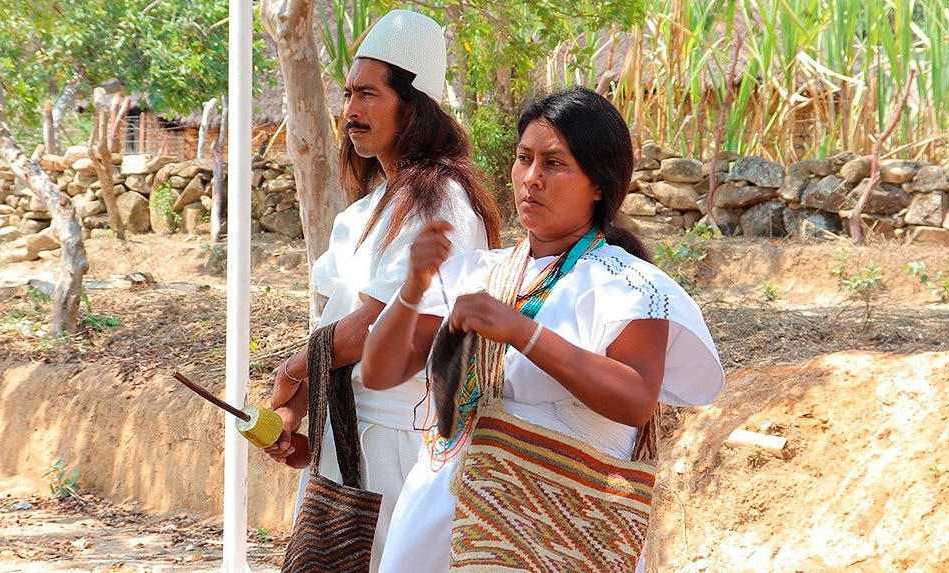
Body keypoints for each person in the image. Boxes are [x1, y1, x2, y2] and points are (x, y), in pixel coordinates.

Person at [360, 86, 724, 572]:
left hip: (558, 537)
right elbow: (380, 372)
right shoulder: (472, 273)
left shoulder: (630, 285)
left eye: (554, 163)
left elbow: (636, 399)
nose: (531, 179)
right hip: (438, 526)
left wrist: (521, 332)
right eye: (523, 158)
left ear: (599, 183)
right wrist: (412, 288)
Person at [264, 9, 500, 572]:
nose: (350, 112)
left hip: (402, 442)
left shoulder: (440, 201)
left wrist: (294, 371)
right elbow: (340, 327)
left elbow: (374, 325)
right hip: (349, 436)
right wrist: (304, 413)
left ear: (412, 105)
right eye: (347, 95)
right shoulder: (370, 209)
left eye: (368, 94)